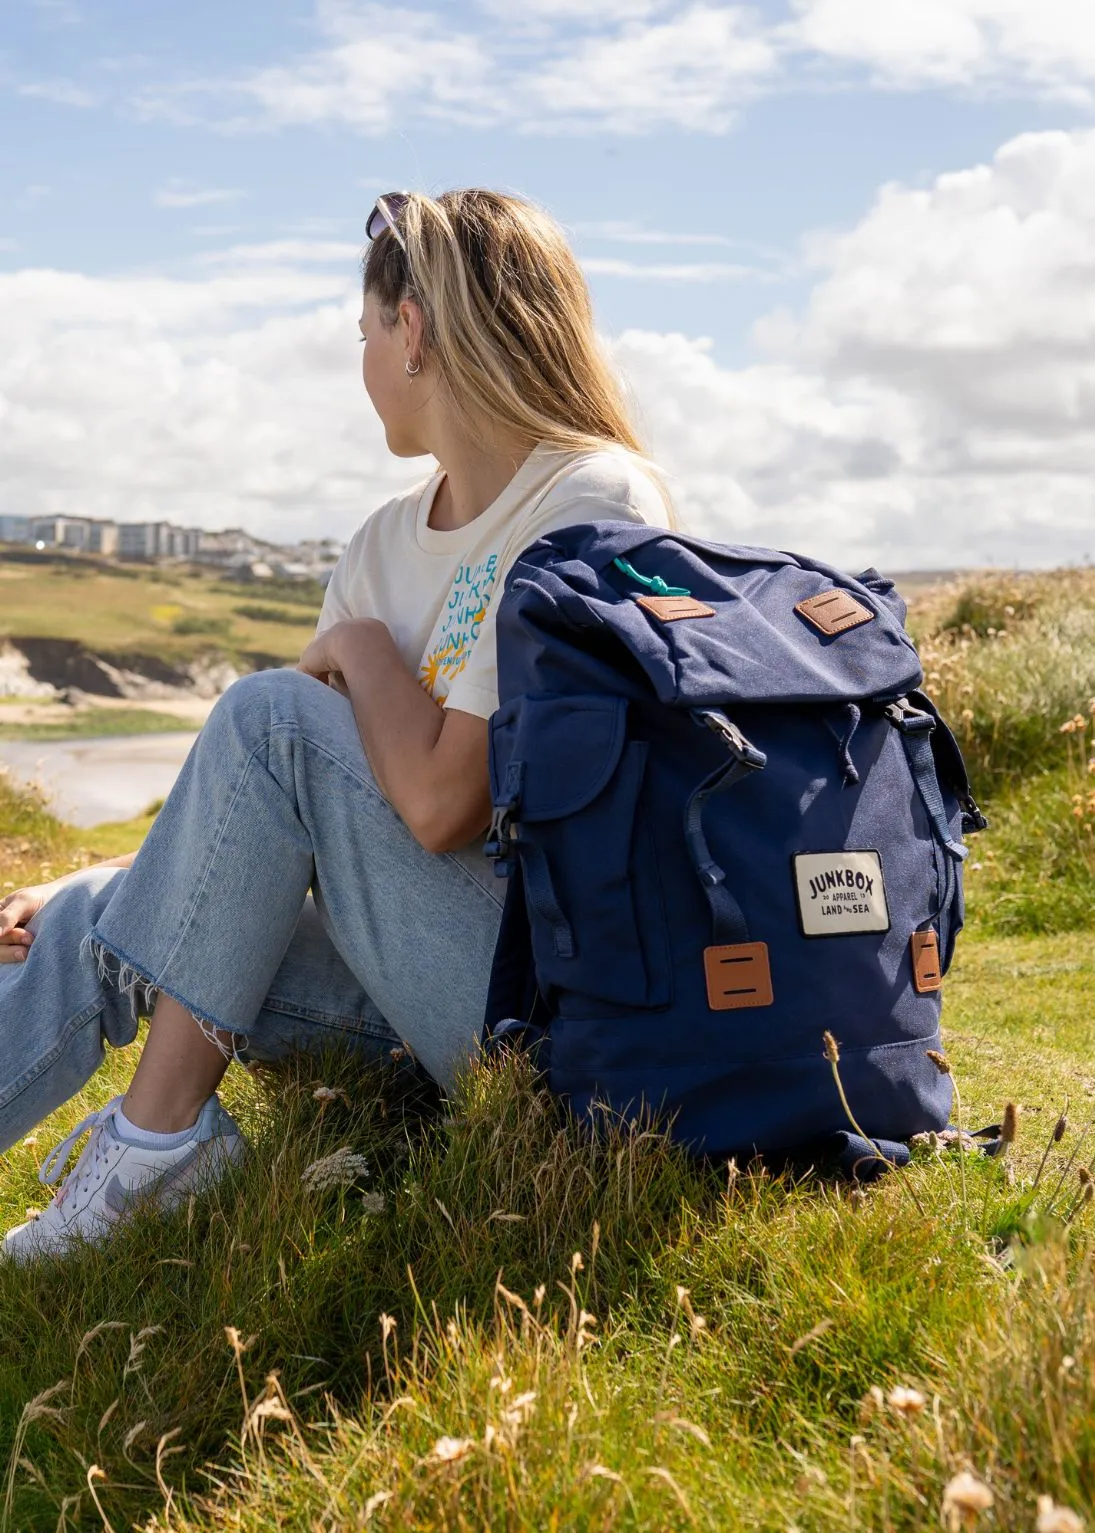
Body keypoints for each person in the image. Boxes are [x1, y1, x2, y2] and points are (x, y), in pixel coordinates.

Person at [0, 188, 672, 1260]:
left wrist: (359, 652)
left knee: (269, 716)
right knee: (81, 913)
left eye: (365, 334)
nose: (361, 364)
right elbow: (269, 820)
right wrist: (132, 871)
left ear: (412, 331)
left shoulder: (591, 497)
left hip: (529, 1004)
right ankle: (158, 1143)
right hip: (392, 996)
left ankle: (155, 1148)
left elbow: (446, 801)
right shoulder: (380, 546)